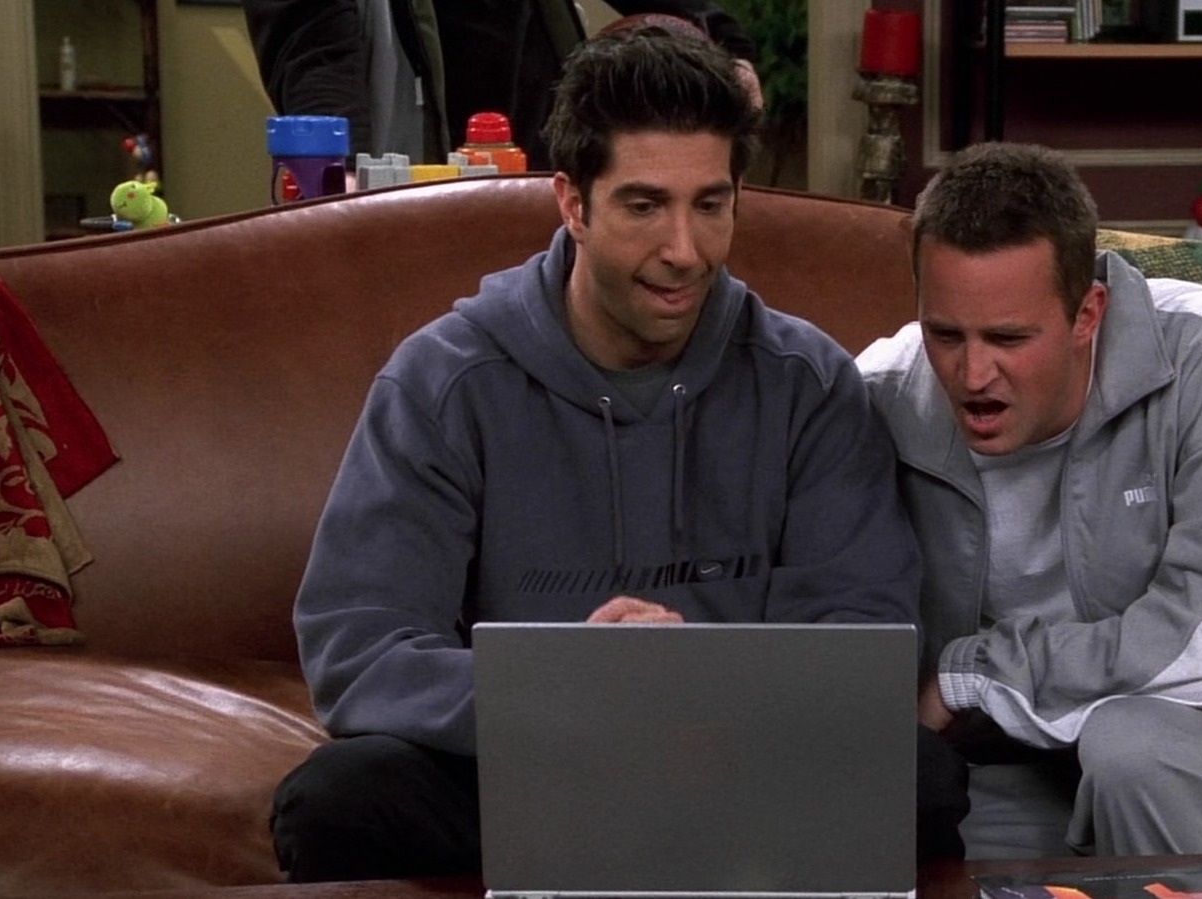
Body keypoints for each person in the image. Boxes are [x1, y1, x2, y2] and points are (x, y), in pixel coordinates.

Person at [270, 26, 920, 882]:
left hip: (731, 757)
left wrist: (695, 686)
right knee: (337, 796)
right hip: (525, 763)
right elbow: (362, 649)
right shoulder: (444, 381)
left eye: (711, 205)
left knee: (928, 781)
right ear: (573, 204)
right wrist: (578, 691)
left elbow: (863, 632)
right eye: (644, 206)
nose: (683, 251)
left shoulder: (808, 383)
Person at [856, 142, 1202, 858]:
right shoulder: (878, 393)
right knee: (864, 812)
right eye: (945, 334)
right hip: (1015, 739)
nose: (973, 374)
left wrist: (973, 674)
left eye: (1009, 337)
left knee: (1136, 758)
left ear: (1088, 313)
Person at [241, 0, 760, 166]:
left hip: (540, 165)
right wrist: (341, 175)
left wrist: (727, 45)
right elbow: (312, 47)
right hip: (412, 176)